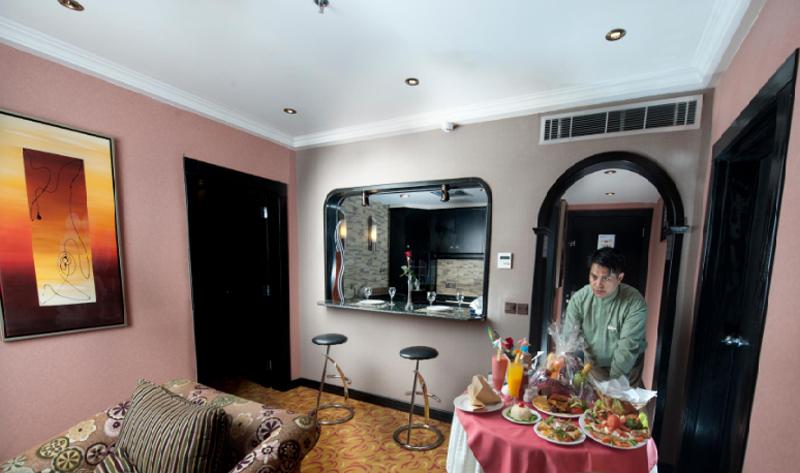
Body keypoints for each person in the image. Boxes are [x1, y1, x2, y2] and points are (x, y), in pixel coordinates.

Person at [563, 247, 647, 387]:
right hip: (594, 364)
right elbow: (569, 338)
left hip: (628, 366)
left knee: (624, 398)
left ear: (619, 278)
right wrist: (566, 367)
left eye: (606, 278)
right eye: (594, 277)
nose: (598, 284)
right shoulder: (579, 300)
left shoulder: (634, 302)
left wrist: (614, 386)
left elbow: (627, 348)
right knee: (595, 398)